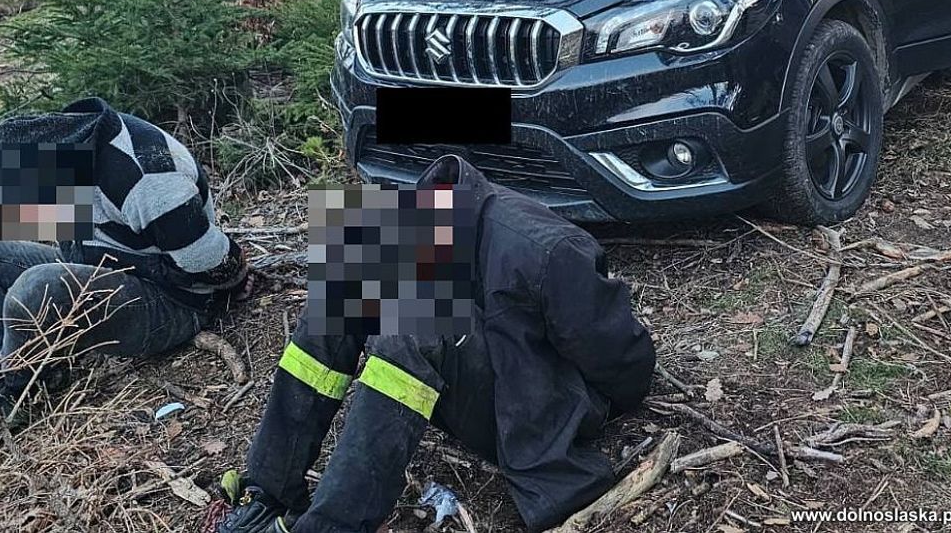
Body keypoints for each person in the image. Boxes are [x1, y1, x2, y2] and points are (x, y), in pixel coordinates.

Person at [218, 155, 656, 533]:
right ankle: (267, 492)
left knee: (412, 325)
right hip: (481, 388)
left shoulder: (548, 250)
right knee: (339, 293)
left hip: (547, 410)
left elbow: (625, 366)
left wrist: (583, 409)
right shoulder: (417, 225)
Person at [0, 97, 248, 448]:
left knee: (38, 286)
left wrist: (239, 278)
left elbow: (209, 262)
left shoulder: (147, 179)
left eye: (26, 192)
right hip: (105, 266)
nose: (25, 208)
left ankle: (11, 396)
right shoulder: (71, 145)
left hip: (171, 303)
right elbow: (54, 232)